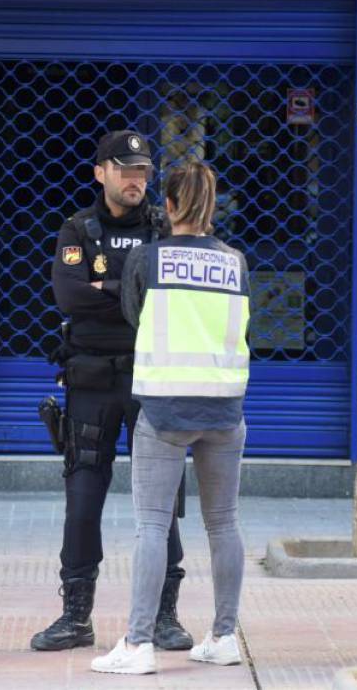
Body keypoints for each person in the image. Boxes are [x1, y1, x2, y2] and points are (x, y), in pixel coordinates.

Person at [31, 130, 192, 653]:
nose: (136, 180)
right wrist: (131, 288)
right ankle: (75, 616)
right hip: (92, 381)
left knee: (161, 504)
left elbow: (174, 297)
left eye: (143, 171)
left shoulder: (165, 228)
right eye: (125, 170)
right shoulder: (77, 227)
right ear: (100, 171)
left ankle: (165, 616)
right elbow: (69, 296)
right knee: (82, 500)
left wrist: (106, 287)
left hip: (150, 381)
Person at [91, 160, 251, 676]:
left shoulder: (147, 258)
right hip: (225, 409)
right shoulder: (235, 261)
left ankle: (138, 644)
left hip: (163, 408)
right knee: (224, 524)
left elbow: (134, 316)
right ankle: (224, 636)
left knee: (151, 527)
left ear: (171, 206)